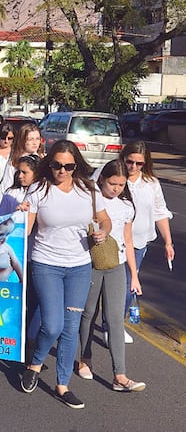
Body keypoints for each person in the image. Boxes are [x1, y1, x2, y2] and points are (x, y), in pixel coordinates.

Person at [20, 140, 112, 410]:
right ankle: (35, 362)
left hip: (80, 266)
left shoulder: (88, 189)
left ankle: (63, 385)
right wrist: (19, 215)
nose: (62, 170)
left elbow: (104, 219)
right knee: (52, 325)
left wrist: (103, 231)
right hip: (46, 264)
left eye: (68, 166)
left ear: (76, 166)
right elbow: (25, 230)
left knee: (71, 327)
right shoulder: (38, 190)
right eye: (57, 165)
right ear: (50, 164)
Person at [77, 160, 146, 392]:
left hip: (117, 265)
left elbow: (128, 241)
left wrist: (134, 275)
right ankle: (85, 359)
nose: (116, 188)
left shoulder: (126, 205)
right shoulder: (90, 199)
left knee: (115, 318)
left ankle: (120, 375)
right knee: (88, 313)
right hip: (92, 263)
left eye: (121, 184)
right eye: (112, 183)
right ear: (102, 180)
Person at [116, 141, 174, 344]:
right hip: (113, 242)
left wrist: (168, 242)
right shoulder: (115, 178)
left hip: (138, 244)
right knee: (112, 288)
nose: (133, 167)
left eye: (138, 163)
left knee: (127, 286)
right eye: (129, 161)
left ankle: (115, 326)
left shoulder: (151, 183)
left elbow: (160, 212)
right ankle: (108, 325)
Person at [0, 123, 43, 191]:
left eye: (37, 139)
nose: (35, 143)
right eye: (31, 139)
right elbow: (6, 184)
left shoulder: (41, 159)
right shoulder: (14, 160)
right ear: (23, 140)